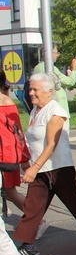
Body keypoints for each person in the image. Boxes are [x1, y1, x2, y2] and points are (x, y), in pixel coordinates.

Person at [14, 73, 76, 255]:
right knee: (33, 206)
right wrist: (27, 162)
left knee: (75, 202)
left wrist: (33, 168)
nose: (31, 93)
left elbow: (51, 144)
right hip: (40, 168)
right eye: (30, 89)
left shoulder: (55, 111)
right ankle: (28, 245)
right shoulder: (35, 110)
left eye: (35, 89)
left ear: (49, 92)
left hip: (58, 168)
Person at [0, 70, 29, 214]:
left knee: (10, 192)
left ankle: (35, 220)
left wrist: (24, 158)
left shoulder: (6, 103)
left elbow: (18, 132)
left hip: (5, 155)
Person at [33, 45, 76, 115]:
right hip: (57, 107)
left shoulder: (37, 68)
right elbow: (70, 81)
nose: (57, 55)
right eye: (56, 53)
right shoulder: (51, 69)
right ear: (50, 53)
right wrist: (74, 68)